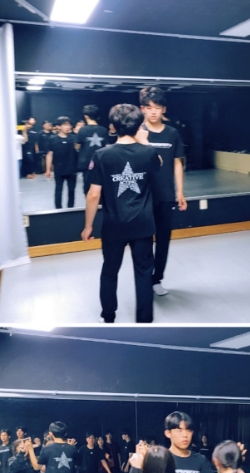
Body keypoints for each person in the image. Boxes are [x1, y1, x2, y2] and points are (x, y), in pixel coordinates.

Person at [81, 103, 162, 323]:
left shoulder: (101, 155)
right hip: (143, 225)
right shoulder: (149, 152)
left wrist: (88, 226)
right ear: (139, 126)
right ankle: (144, 320)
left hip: (114, 225)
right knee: (144, 272)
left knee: (110, 270)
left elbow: (93, 195)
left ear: (113, 127)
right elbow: (159, 163)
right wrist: (145, 142)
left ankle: (108, 316)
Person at [139, 87, 188, 297]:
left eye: (157, 108)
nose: (153, 112)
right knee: (143, 240)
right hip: (142, 196)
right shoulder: (137, 132)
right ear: (142, 109)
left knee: (163, 239)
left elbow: (177, 163)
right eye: (149, 108)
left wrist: (180, 192)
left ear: (163, 109)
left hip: (166, 195)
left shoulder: (172, 133)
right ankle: (144, 278)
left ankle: (156, 278)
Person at [46, 116, 78, 209]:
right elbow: (49, 154)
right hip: (59, 169)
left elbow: (78, 149)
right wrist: (48, 169)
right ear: (58, 126)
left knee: (71, 190)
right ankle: (58, 209)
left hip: (72, 168)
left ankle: (71, 209)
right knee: (58, 190)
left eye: (69, 124)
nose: (68, 127)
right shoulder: (52, 139)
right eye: (65, 125)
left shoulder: (74, 138)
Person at [76, 104, 109, 194]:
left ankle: (89, 202)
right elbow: (107, 146)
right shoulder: (104, 130)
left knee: (87, 187)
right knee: (101, 186)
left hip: (86, 162)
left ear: (86, 116)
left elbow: (77, 146)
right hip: (100, 162)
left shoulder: (82, 130)